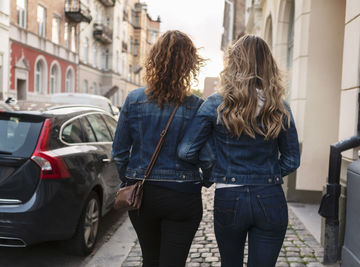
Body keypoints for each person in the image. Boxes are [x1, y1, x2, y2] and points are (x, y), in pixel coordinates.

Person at [178, 34, 300, 267]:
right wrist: (267, 174)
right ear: (268, 65)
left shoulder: (216, 104)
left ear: (233, 63)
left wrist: (214, 171)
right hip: (270, 195)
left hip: (229, 196)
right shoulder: (280, 106)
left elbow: (186, 151)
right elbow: (292, 160)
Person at [111, 30, 213, 267]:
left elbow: (118, 152)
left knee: (150, 258)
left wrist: (130, 179)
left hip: (143, 196)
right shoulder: (197, 106)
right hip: (182, 195)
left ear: (154, 60)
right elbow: (208, 159)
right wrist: (204, 181)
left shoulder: (134, 99)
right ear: (189, 65)